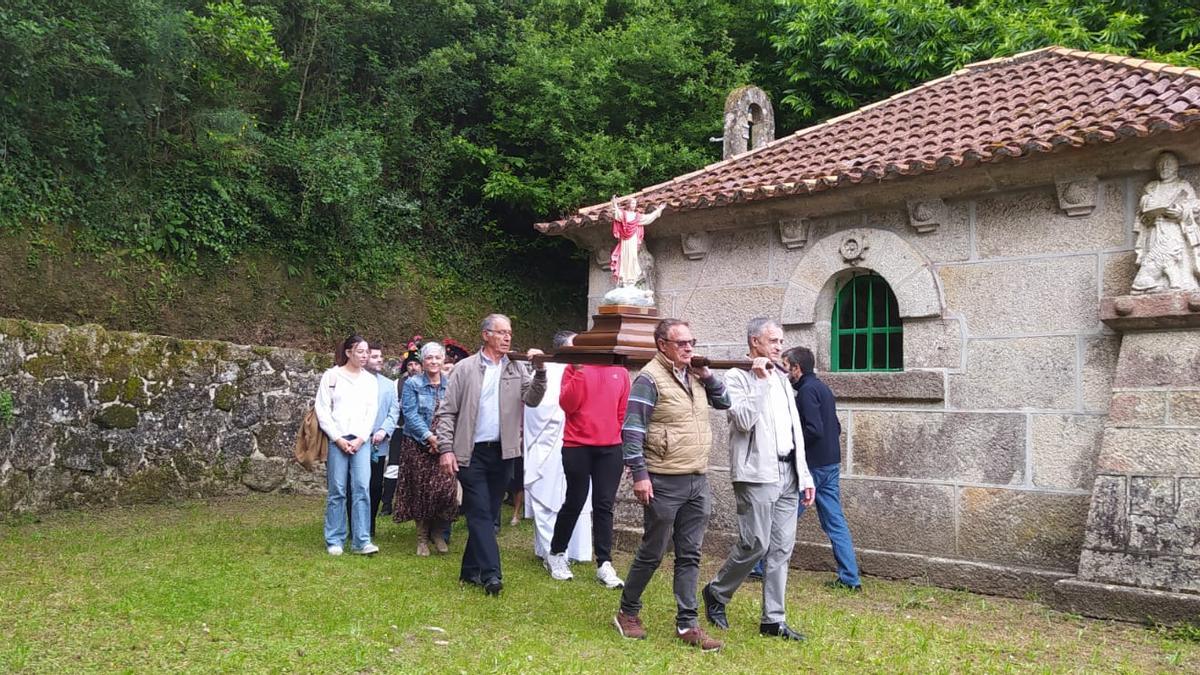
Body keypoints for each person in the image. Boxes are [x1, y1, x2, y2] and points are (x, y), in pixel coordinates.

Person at [613, 319, 730, 652]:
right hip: (663, 478)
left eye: (691, 341)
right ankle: (627, 611)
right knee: (653, 551)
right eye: (681, 343)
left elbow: (724, 402)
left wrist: (708, 376)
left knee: (690, 554)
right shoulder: (649, 379)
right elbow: (632, 430)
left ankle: (687, 624)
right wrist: (639, 475)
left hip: (696, 477)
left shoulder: (694, 374)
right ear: (662, 344)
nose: (689, 348)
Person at [701, 319, 815, 642]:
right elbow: (743, 419)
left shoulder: (782, 377)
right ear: (755, 342)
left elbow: (796, 431)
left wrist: (804, 474)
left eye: (781, 340)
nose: (780, 346)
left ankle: (773, 620)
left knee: (781, 548)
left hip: (789, 473)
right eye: (773, 340)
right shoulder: (737, 378)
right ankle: (717, 593)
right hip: (756, 473)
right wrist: (761, 381)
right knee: (756, 544)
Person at [435, 314, 547, 596]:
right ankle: (491, 574)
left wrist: (541, 371)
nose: (507, 337)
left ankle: (468, 571)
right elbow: (447, 411)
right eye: (501, 332)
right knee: (480, 512)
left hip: (504, 453)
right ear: (486, 335)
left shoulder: (516, 368)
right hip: (471, 453)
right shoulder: (464, 368)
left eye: (509, 332)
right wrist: (446, 449)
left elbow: (532, 399)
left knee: (487, 511)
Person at [545, 332, 631, 589]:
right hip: (577, 445)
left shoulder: (620, 370)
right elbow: (568, 404)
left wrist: (613, 436)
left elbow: (622, 411)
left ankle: (604, 562)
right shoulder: (574, 367)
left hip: (610, 448)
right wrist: (580, 370)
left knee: (604, 505)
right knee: (575, 499)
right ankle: (557, 553)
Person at [787, 345, 863, 592]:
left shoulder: (807, 391)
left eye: (786, 367)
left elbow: (814, 430)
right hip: (830, 462)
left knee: (784, 516)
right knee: (834, 521)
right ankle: (850, 578)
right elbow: (836, 427)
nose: (784, 372)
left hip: (814, 467)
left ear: (797, 368)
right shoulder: (822, 388)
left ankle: (757, 567)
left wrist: (793, 449)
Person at [523, 330, 592, 565]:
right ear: (562, 349)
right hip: (550, 443)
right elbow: (535, 409)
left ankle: (576, 551)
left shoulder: (585, 369)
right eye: (575, 346)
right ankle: (548, 549)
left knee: (576, 497)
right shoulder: (547, 371)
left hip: (579, 442)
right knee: (548, 497)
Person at [314, 334, 380, 556]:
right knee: (337, 490)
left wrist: (362, 438)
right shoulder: (332, 376)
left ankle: (362, 540)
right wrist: (338, 438)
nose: (364, 356)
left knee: (362, 487)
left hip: (361, 441)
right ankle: (335, 538)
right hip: (338, 439)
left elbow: (371, 412)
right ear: (348, 352)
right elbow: (323, 410)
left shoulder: (370, 380)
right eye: (359, 351)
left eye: (366, 352)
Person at [392, 342, 458, 555]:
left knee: (445, 491)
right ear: (423, 361)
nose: (434, 362)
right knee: (421, 491)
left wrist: (443, 441)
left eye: (438, 358)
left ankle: (438, 532)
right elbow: (410, 414)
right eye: (429, 358)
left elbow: (455, 412)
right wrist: (429, 437)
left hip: (445, 444)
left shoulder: (451, 383)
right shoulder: (413, 384)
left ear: (443, 360)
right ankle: (422, 538)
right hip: (418, 445)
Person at [365, 343, 400, 539]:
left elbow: (394, 411)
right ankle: (356, 522)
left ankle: (370, 524)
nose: (380, 360)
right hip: (358, 441)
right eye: (375, 356)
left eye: (381, 356)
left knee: (376, 484)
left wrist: (384, 430)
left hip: (379, 443)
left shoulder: (388, 384)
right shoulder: (355, 382)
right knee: (357, 485)